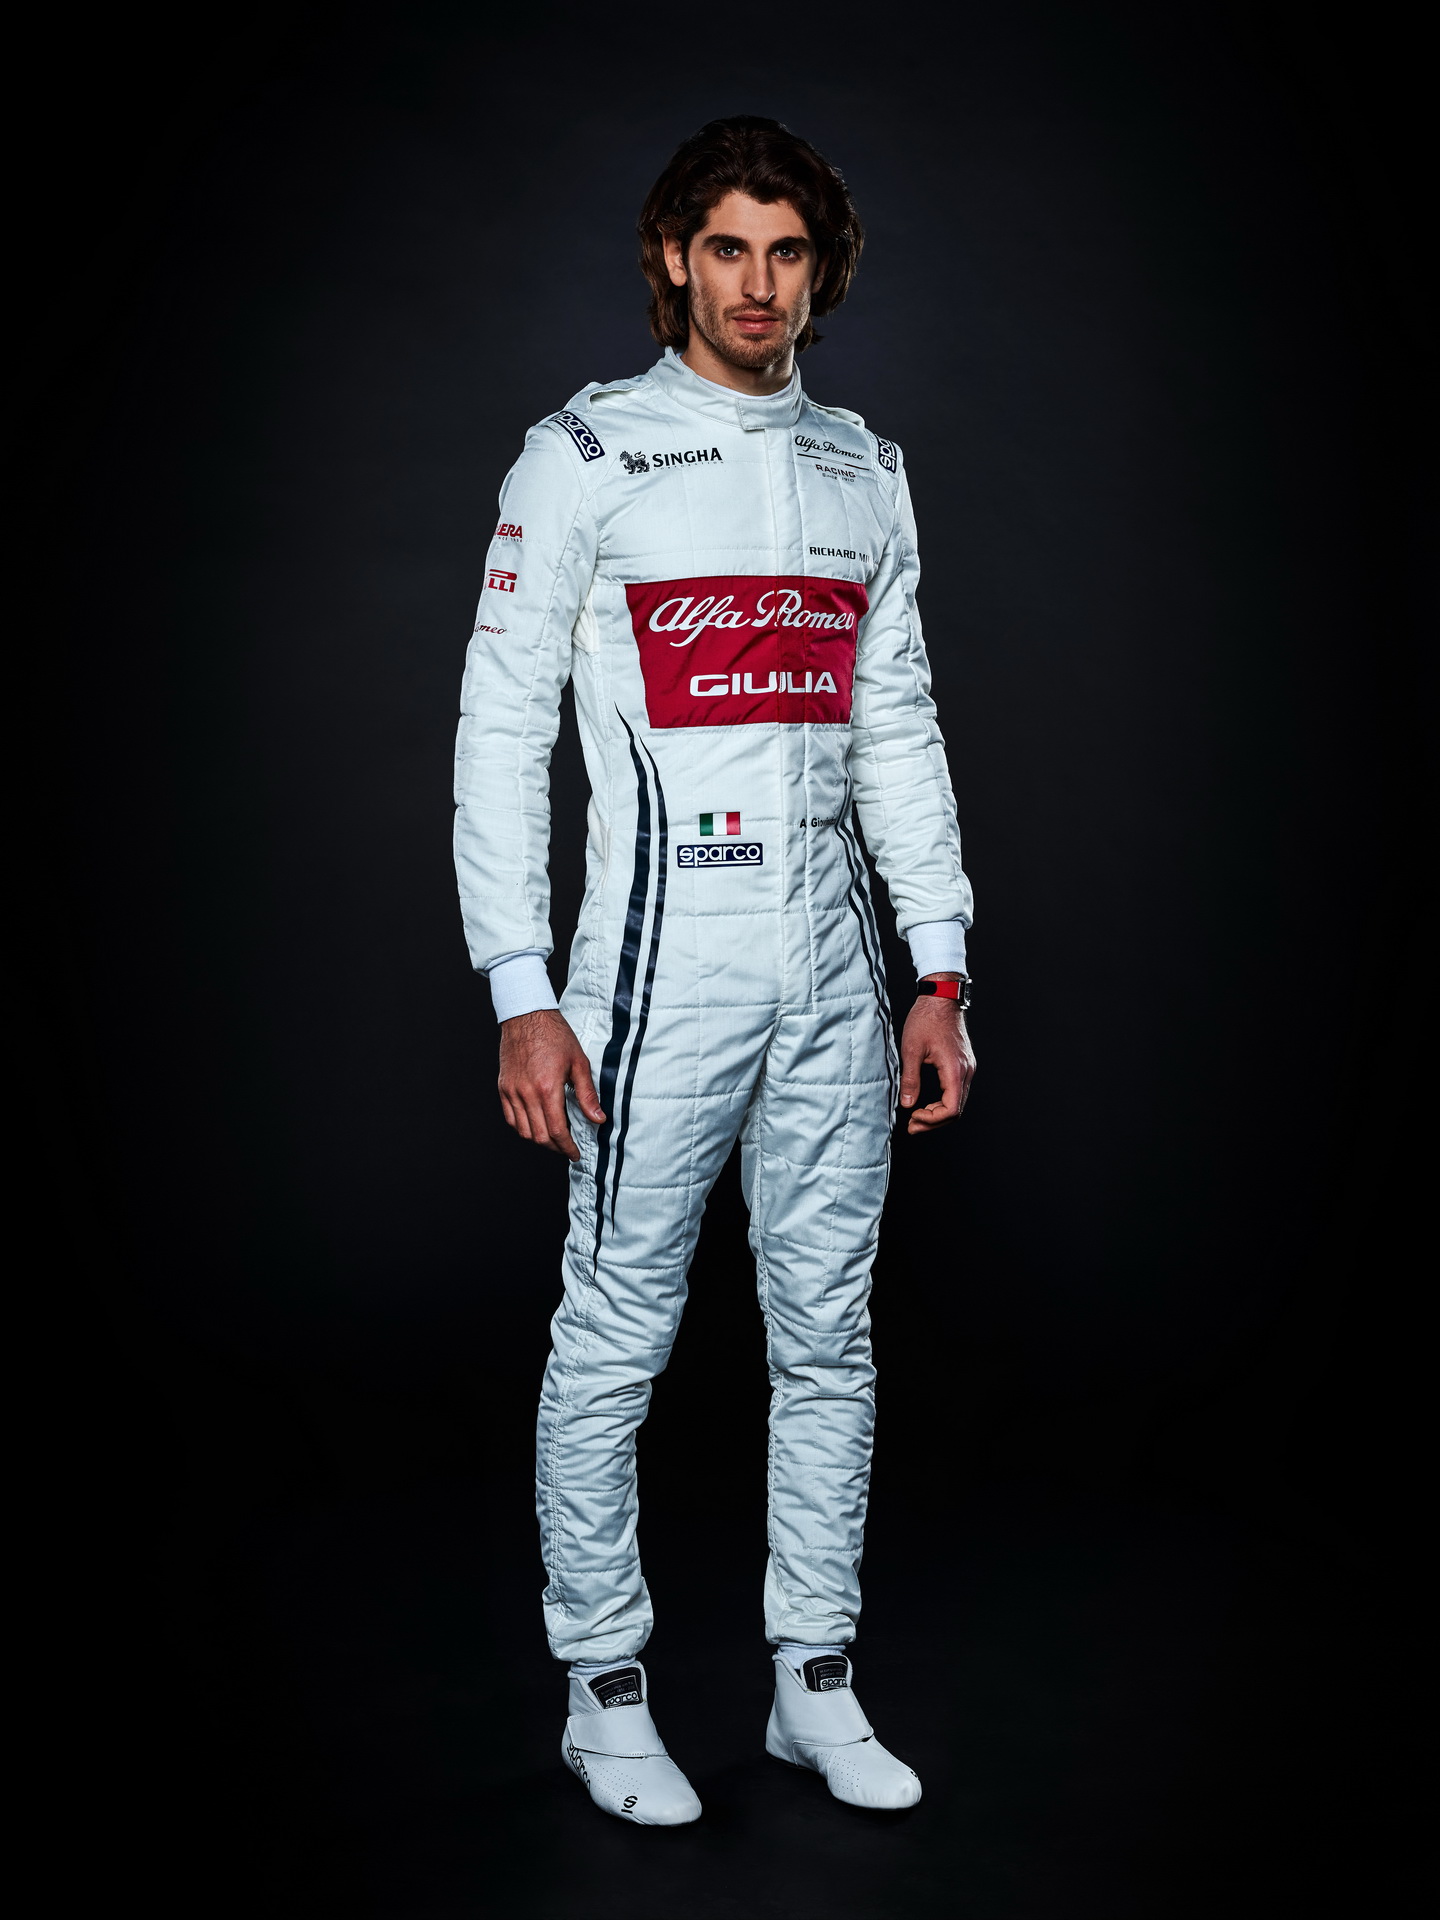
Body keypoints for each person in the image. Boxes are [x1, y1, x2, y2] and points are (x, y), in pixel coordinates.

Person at [453, 115, 975, 1824]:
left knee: (829, 1337)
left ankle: (812, 1683)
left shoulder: (864, 470)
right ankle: (604, 1691)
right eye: (730, 249)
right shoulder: (585, 454)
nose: (760, 284)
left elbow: (898, 726)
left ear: (822, 273)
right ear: (677, 258)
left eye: (789, 253)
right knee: (617, 1336)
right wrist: (521, 988)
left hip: (838, 980)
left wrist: (939, 968)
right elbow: (500, 731)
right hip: (653, 977)